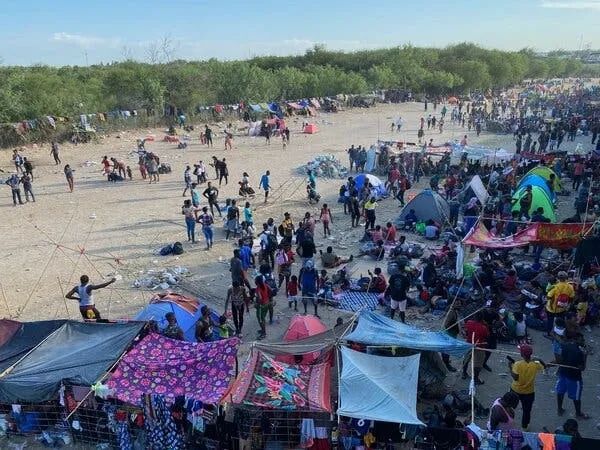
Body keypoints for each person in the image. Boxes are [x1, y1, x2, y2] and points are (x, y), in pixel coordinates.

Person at [508, 344, 546, 430]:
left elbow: (515, 377)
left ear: (522, 354)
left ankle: (508, 422)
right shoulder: (535, 364)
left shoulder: (517, 364)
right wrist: (539, 359)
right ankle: (524, 427)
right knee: (527, 410)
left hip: (515, 390)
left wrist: (510, 367)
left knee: (510, 406)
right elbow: (544, 366)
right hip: (529, 392)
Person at [556, 339, 588, 418]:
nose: (583, 342)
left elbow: (559, 359)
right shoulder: (579, 352)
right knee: (576, 396)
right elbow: (582, 368)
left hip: (562, 373)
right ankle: (578, 413)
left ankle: (559, 409)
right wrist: (585, 356)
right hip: (574, 377)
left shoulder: (564, 346)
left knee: (560, 391)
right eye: (582, 340)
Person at [462, 312, 489, 385]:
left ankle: (464, 373)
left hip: (469, 344)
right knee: (478, 364)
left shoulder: (469, 322)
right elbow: (486, 336)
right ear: (482, 319)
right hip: (479, 346)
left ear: (474, 317)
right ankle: (475, 378)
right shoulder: (484, 327)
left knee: (466, 359)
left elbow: (465, 331)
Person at [546, 271, 574, 337]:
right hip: (562, 308)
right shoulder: (570, 286)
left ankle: (549, 333)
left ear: (558, 278)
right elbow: (571, 297)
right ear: (566, 278)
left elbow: (548, 296)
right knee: (561, 321)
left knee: (550, 320)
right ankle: (561, 333)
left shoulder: (554, 286)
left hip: (552, 308)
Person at [442, 299, 462, 372]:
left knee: (448, 349)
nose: (459, 305)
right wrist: (454, 327)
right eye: (457, 304)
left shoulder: (454, 311)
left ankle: (445, 360)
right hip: (449, 333)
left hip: (452, 333)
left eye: (460, 304)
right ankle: (446, 364)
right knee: (447, 350)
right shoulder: (451, 313)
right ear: (453, 304)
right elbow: (446, 325)